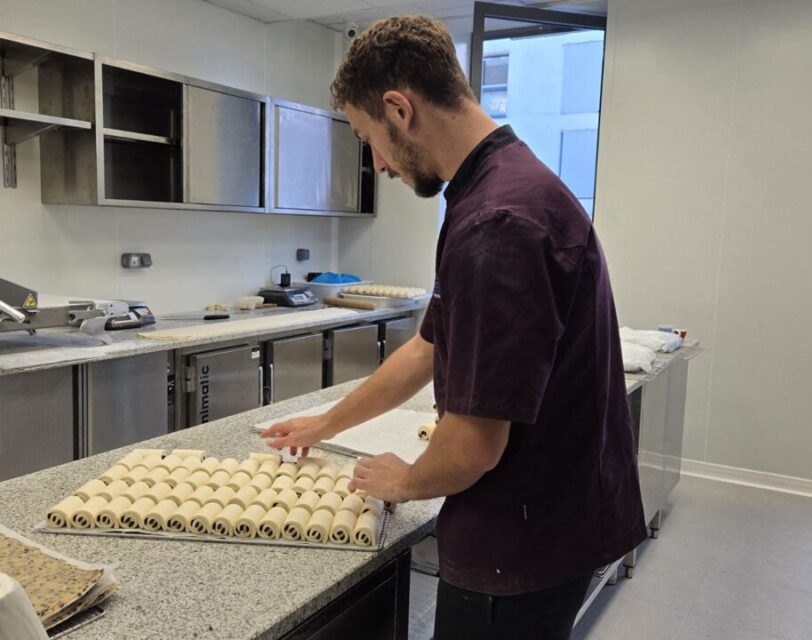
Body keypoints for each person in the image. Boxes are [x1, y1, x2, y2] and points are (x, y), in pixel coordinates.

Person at [260, 15, 645, 640]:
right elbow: (427, 349)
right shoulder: (499, 186)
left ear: (399, 109)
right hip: (552, 513)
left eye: (370, 140)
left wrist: (404, 479)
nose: (379, 165)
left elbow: (471, 448)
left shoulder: (497, 223)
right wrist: (327, 424)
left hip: (522, 536)